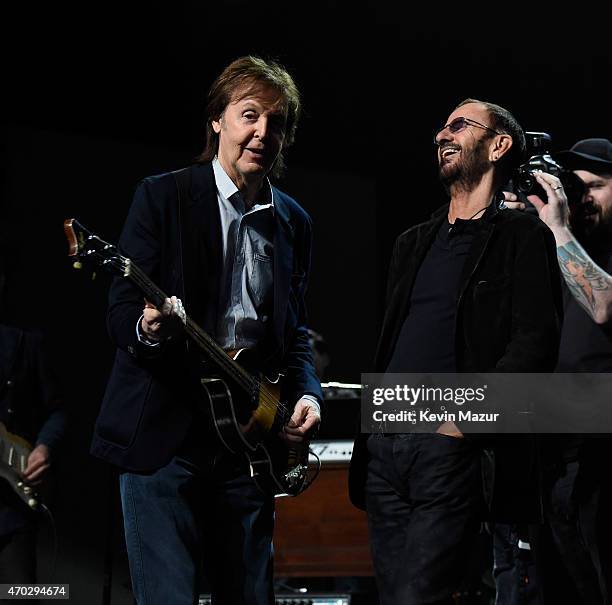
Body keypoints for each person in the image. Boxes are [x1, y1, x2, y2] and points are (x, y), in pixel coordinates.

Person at [89, 56, 323, 605]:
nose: (262, 132)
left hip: (248, 444)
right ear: (217, 120)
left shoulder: (295, 223)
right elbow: (122, 309)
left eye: (277, 122)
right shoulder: (163, 196)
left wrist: (305, 392)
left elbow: (295, 332)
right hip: (164, 441)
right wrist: (149, 327)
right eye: (249, 115)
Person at [348, 99, 563, 604]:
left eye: (458, 125)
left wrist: (463, 424)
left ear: (499, 145)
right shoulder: (412, 242)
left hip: (449, 448)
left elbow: (536, 344)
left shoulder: (522, 237)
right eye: (441, 126)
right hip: (386, 448)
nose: (442, 134)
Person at [502, 138, 612, 604]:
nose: (584, 196)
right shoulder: (553, 246)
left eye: (598, 186)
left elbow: (603, 305)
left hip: (602, 447)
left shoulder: (571, 242)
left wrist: (558, 228)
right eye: (576, 186)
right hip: (550, 440)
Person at [0, 257, 66, 594]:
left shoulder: (26, 343)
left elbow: (58, 410)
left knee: (21, 594)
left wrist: (44, 447)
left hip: (12, 509)